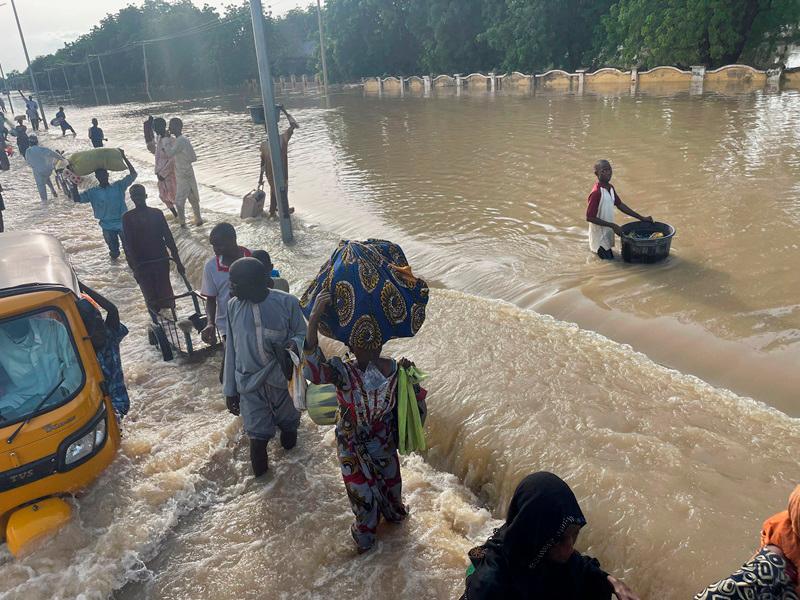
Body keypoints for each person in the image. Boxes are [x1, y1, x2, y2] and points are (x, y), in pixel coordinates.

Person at [304, 290, 415, 553]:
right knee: (364, 504)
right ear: (351, 348)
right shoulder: (342, 371)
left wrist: (413, 383)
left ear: (380, 344)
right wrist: (312, 322)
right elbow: (313, 371)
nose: (368, 349)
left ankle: (395, 553)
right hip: (351, 447)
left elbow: (412, 409)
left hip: (383, 445)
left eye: (373, 344)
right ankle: (366, 553)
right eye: (361, 345)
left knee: (393, 502)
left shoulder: (399, 370)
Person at [462, 472, 640, 600]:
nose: (570, 548)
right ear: (538, 535)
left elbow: (583, 570)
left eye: (574, 535)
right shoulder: (489, 586)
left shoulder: (545, 551)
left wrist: (614, 582)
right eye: (560, 539)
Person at [223, 257, 306, 476]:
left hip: (283, 381)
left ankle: (294, 480)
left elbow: (303, 336)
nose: (230, 287)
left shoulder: (288, 303)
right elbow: (231, 348)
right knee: (257, 442)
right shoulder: (233, 306)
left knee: (289, 433)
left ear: (255, 284)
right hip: (249, 385)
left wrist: (292, 344)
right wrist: (230, 391)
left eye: (235, 283)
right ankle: (263, 490)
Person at [0, 314, 83, 419]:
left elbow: (74, 363)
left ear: (25, 313)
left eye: (15, 318)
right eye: (6, 322)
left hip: (62, 398)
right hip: (19, 404)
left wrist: (64, 389)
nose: (11, 324)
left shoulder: (53, 329)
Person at [122, 184, 185, 311]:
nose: (137, 198)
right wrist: (134, 268)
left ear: (145, 196)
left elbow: (168, 239)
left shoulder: (157, 214)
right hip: (142, 264)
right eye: (135, 196)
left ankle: (171, 317)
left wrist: (178, 262)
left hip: (160, 260)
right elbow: (128, 246)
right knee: (151, 297)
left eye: (140, 195)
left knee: (165, 292)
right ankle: (159, 320)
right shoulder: (127, 218)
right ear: (132, 198)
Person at [77, 283, 131, 419]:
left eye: (100, 320)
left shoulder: (110, 336)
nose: (101, 328)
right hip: (99, 410)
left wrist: (82, 287)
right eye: (95, 325)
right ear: (84, 331)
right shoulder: (82, 351)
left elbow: (112, 310)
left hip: (120, 404)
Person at [74, 149, 137, 259]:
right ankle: (114, 271)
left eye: (104, 175)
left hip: (123, 223)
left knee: (130, 251)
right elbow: (77, 199)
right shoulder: (92, 192)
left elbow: (133, 174)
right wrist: (73, 182)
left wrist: (124, 157)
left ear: (108, 175)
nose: (103, 177)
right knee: (114, 253)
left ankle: (133, 270)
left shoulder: (118, 186)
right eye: (100, 176)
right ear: (97, 177)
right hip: (106, 226)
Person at [586, 160, 653, 260]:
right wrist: (612, 225)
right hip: (599, 238)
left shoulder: (610, 188)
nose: (608, 172)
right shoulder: (596, 193)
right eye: (604, 170)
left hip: (607, 233)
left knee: (614, 260)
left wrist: (642, 218)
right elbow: (589, 217)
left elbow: (620, 205)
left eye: (609, 169)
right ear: (597, 174)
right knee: (610, 264)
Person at [200, 223, 251, 345]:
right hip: (228, 325)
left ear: (233, 240)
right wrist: (210, 323)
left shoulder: (254, 258)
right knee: (232, 361)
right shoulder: (211, 267)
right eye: (213, 246)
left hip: (255, 320)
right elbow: (211, 299)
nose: (215, 250)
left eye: (219, 245)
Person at [259, 105, 298, 218]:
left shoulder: (264, 145)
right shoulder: (283, 138)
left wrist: (260, 178)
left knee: (274, 191)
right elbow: (294, 125)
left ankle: (273, 211)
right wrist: (284, 111)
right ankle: (281, 211)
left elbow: (262, 164)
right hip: (281, 173)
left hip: (270, 176)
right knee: (282, 191)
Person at [162, 117, 202, 227]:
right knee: (192, 197)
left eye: (171, 126)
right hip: (187, 171)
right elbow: (193, 157)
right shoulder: (183, 140)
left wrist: (165, 139)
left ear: (178, 127)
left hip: (183, 173)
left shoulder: (180, 141)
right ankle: (198, 220)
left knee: (179, 202)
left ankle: (183, 224)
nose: (169, 128)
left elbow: (169, 153)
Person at [24, 135, 61, 203]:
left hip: (39, 172)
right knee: (46, 178)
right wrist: (62, 159)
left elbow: (28, 162)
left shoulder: (28, 151)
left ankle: (45, 204)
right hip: (48, 170)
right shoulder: (43, 149)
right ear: (37, 142)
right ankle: (53, 191)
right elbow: (55, 154)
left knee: (41, 188)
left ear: (29, 143)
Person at [153, 117, 178, 218]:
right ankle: (176, 215)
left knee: (174, 197)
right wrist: (158, 172)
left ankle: (182, 219)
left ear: (162, 126)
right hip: (159, 173)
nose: (154, 129)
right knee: (164, 197)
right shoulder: (158, 139)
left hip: (169, 174)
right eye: (153, 127)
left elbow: (173, 159)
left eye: (155, 126)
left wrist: (163, 174)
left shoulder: (171, 140)